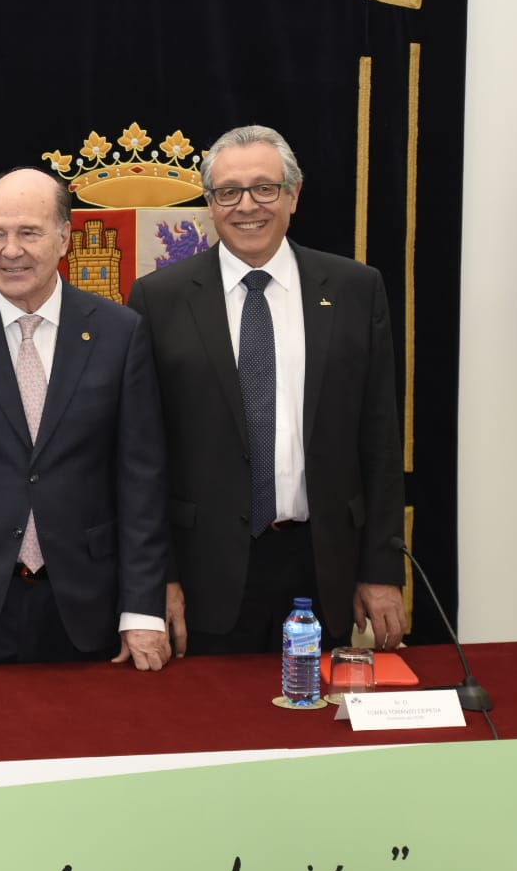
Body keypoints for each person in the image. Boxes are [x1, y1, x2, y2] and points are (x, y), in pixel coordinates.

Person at [128, 124, 406, 655]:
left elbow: (380, 441)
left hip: (324, 566)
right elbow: (143, 455)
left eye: (264, 188)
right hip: (204, 573)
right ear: (210, 203)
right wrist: (157, 578)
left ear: (293, 195)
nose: (247, 206)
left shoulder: (355, 289)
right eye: (228, 192)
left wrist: (380, 569)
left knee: (319, 707)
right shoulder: (158, 299)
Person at [0, 168, 171, 672]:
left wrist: (142, 609)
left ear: (64, 238)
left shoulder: (120, 333)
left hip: (91, 608)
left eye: (28, 232)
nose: (10, 250)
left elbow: (142, 481)